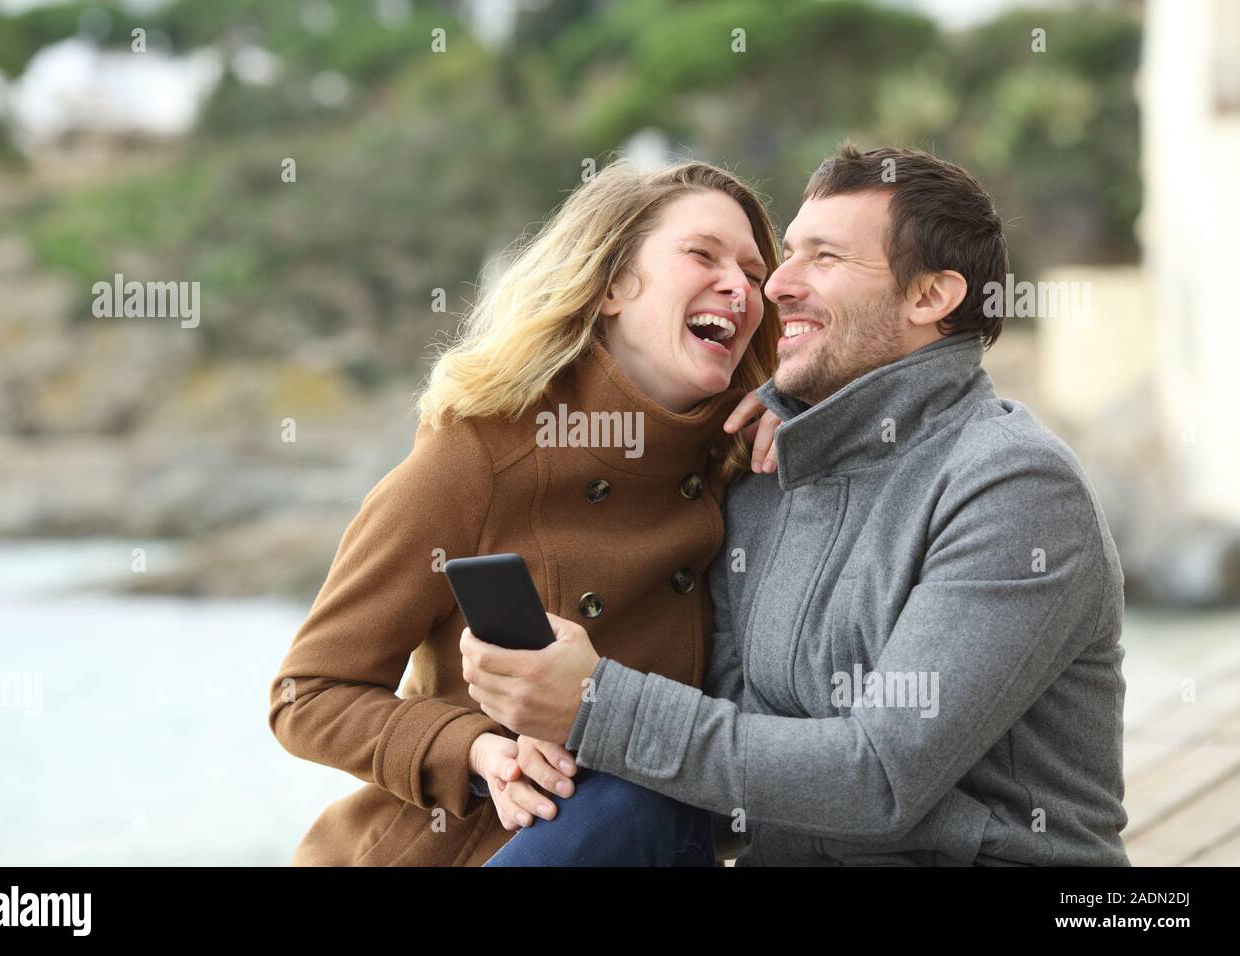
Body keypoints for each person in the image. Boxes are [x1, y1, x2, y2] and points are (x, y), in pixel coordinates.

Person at [462, 142, 1132, 866]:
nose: (775, 286)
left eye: (825, 258)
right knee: (615, 805)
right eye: (787, 256)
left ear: (930, 296)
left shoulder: (1015, 489)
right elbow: (724, 752)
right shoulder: (766, 479)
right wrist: (513, 735)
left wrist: (596, 705)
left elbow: (878, 778)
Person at [268, 158, 782, 866]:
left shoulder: (741, 471)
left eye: (755, 273)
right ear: (610, 286)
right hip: (452, 851)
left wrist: (812, 424)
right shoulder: (480, 456)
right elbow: (307, 694)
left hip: (652, 840)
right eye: (702, 254)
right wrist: (474, 750)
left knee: (649, 792)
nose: (740, 286)